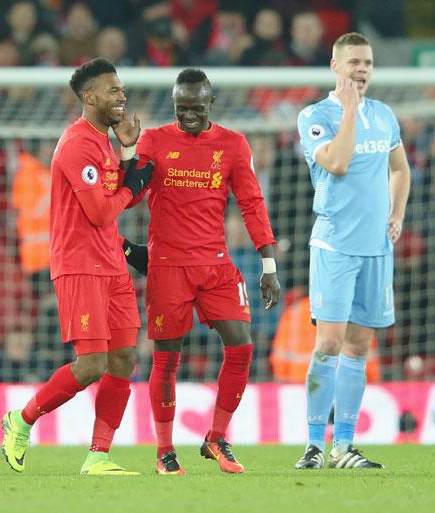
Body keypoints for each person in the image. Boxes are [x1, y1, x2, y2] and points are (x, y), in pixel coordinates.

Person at [1, 57, 153, 476]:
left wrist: (128, 154)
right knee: (92, 365)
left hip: (110, 263)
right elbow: (102, 211)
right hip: (79, 266)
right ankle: (21, 419)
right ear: (89, 98)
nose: (121, 95)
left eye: (122, 88)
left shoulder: (102, 142)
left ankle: (99, 456)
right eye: (112, 90)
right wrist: (133, 183)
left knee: (124, 358)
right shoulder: (76, 144)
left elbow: (119, 196)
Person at [125, 68, 280, 475]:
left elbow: (252, 202)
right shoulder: (154, 140)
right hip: (168, 267)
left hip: (215, 264)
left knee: (242, 345)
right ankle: (164, 451)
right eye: (181, 108)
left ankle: (216, 437)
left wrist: (268, 264)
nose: (188, 116)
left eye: (195, 108)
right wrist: (127, 155)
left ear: (211, 104)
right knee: (166, 359)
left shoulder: (232, 144)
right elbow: (131, 195)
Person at [294, 32, 410, 469]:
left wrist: (396, 212)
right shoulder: (315, 116)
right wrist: (349, 112)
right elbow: (338, 163)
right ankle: (312, 445)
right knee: (328, 342)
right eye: (354, 62)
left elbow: (400, 170)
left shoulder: (384, 116)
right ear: (335, 66)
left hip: (377, 248)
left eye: (368, 63)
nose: (362, 69)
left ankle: (344, 445)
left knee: (359, 348)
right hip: (336, 245)